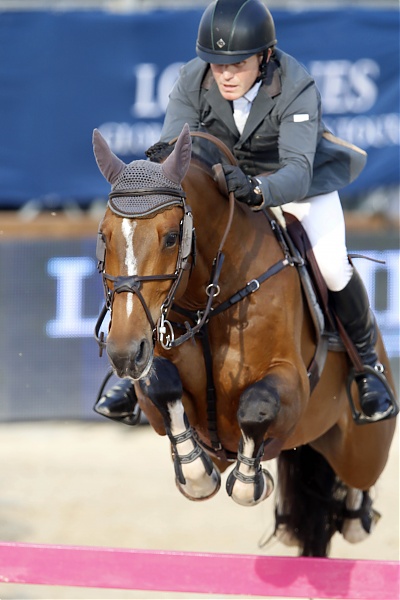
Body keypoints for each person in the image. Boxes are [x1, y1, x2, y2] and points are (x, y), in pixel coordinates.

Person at [96, 0, 397, 423]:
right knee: (168, 251)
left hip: (295, 185)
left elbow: (296, 169)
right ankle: (133, 373)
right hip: (222, 185)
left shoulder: (295, 85)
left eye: (237, 64)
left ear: (264, 56)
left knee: (331, 267)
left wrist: (258, 190)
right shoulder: (192, 79)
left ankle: (369, 370)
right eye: (218, 64)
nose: (226, 74)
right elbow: (172, 151)